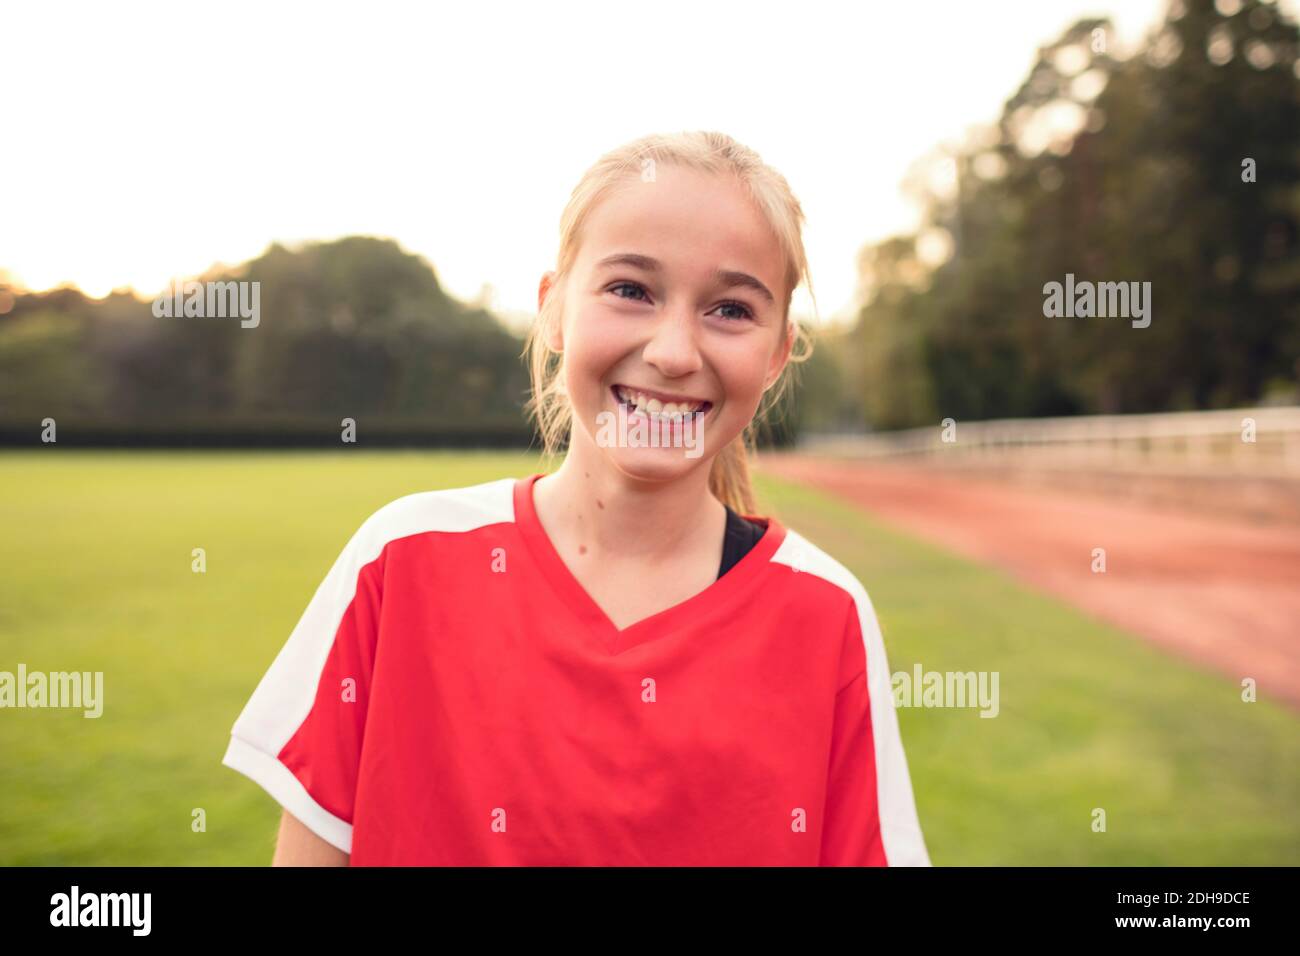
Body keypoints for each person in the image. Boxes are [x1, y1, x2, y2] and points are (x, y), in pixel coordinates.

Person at [221, 130, 931, 866]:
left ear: (779, 350)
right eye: (630, 290)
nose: (674, 352)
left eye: (730, 309)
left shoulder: (825, 614)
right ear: (553, 309)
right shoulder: (400, 561)